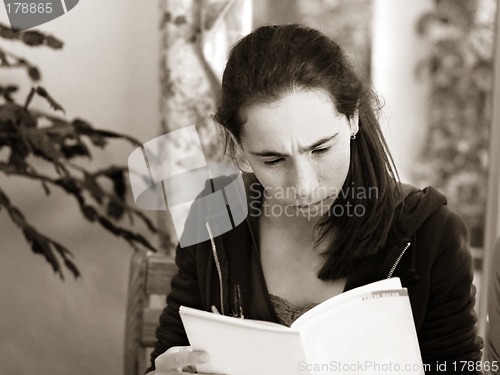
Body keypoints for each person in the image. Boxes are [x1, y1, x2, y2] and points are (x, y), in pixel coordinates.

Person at [146, 24, 483, 374]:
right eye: (273, 160)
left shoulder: (431, 235)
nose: (304, 186)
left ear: (353, 119)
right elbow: (169, 353)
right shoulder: (214, 212)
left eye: (320, 149)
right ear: (240, 149)